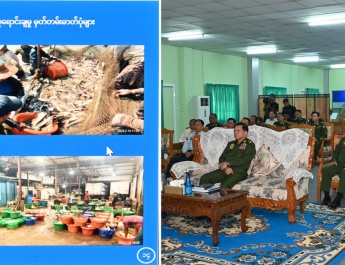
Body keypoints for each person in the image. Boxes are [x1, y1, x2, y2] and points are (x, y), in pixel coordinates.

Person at [199, 123, 256, 194]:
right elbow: (222, 158)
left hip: (239, 172)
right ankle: (206, 201)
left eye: (238, 130)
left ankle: (229, 204)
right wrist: (226, 168)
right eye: (234, 131)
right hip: (225, 170)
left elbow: (245, 160)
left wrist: (228, 163)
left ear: (245, 132)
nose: (236, 133)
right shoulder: (231, 144)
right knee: (204, 178)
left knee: (224, 186)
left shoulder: (250, 145)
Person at [320, 136, 345, 210]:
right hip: (339, 164)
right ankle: (327, 197)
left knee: (344, 173)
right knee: (326, 170)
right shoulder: (343, 140)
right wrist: (334, 160)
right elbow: (336, 152)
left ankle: (338, 199)